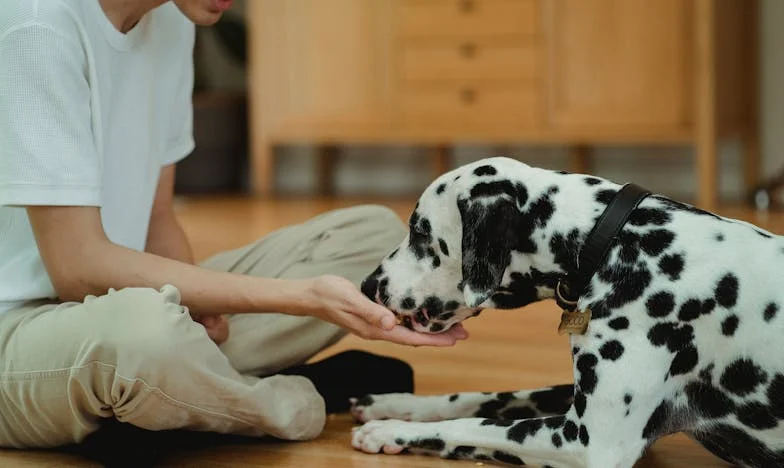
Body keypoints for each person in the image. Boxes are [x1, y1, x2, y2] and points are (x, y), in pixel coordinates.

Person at [0, 0, 469, 454]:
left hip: (117, 304)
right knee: (145, 336)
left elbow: (157, 216)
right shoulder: (37, 23)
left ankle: (173, 400)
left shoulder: (170, 20)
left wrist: (198, 312)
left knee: (372, 238)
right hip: (19, 335)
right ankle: (292, 404)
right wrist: (305, 298)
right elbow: (77, 268)